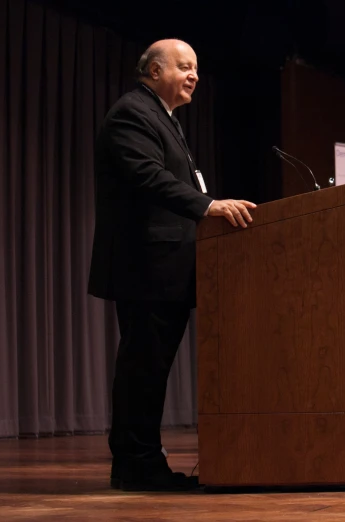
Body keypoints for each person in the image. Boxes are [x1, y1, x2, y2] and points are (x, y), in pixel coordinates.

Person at [88, 39, 256, 491]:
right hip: (147, 265)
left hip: (165, 266)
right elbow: (148, 176)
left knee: (151, 368)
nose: (194, 75)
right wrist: (209, 205)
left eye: (197, 68)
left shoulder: (163, 118)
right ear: (154, 69)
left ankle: (141, 460)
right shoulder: (133, 113)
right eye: (184, 66)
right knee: (143, 368)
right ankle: (135, 465)